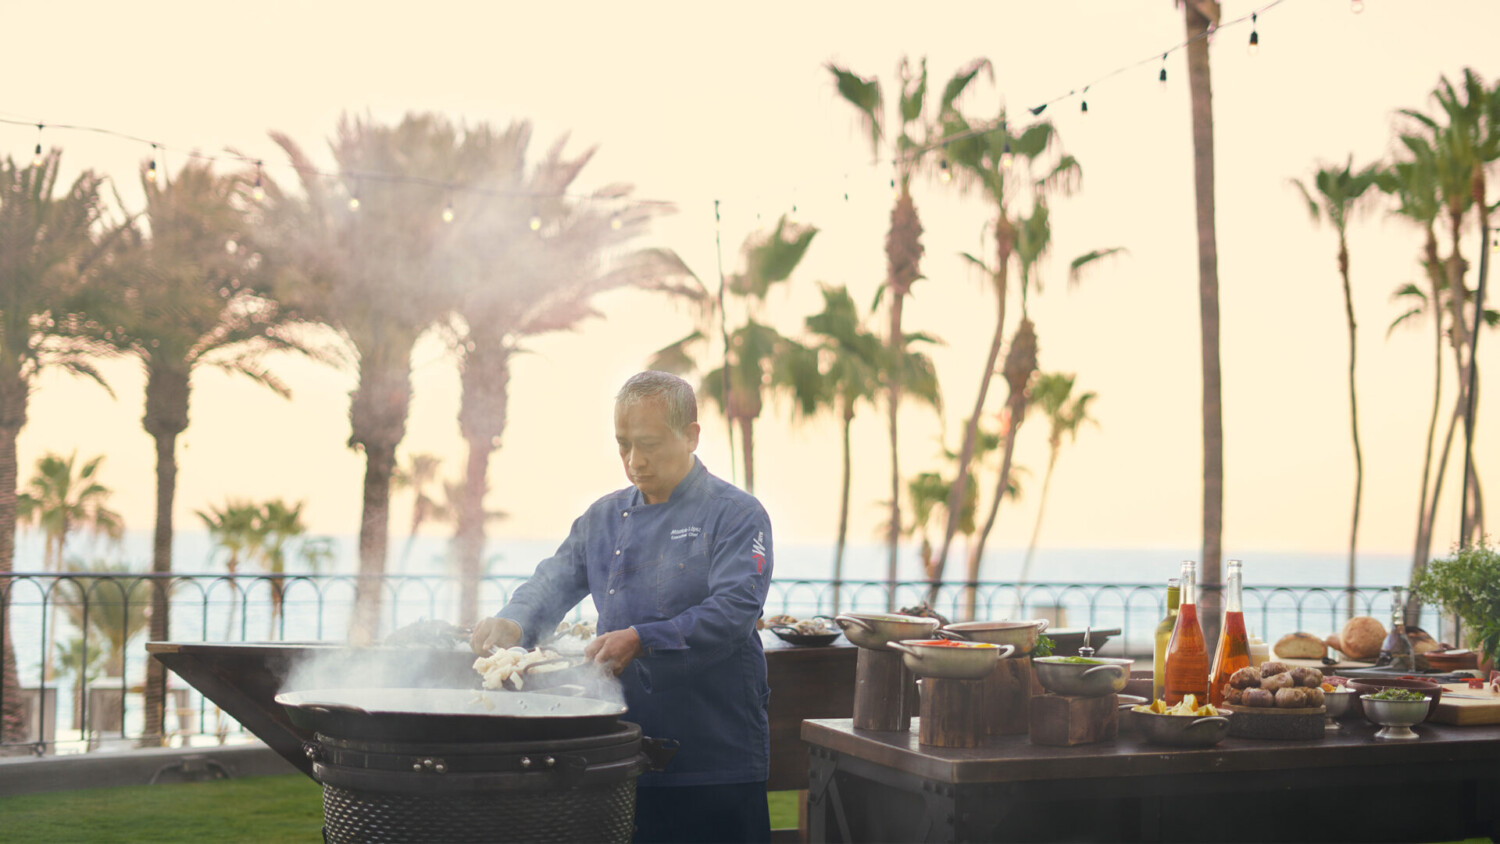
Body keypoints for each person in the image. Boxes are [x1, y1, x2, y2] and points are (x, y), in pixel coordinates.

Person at [471, 371, 774, 844]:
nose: (635, 461)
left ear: (691, 436)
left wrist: (643, 639)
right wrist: (514, 621)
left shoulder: (736, 514)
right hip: (619, 748)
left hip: (715, 753)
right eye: (623, 444)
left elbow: (735, 609)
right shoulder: (604, 517)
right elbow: (552, 580)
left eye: (650, 444)